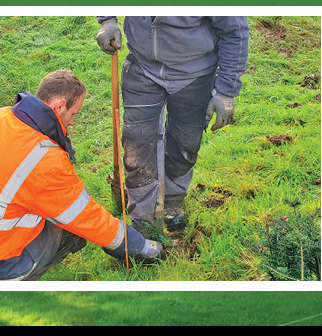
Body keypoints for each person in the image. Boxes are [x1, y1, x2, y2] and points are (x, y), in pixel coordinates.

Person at [0, 69, 163, 281]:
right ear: (59, 106)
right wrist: (142, 247)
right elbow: (89, 218)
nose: (73, 121)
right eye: (74, 113)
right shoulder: (45, 162)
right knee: (72, 226)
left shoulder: (0, 117)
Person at [96, 16, 249, 238]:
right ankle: (143, 217)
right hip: (142, 65)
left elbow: (235, 31)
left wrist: (226, 91)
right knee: (136, 143)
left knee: (185, 141)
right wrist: (107, 20)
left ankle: (172, 201)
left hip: (194, 74)